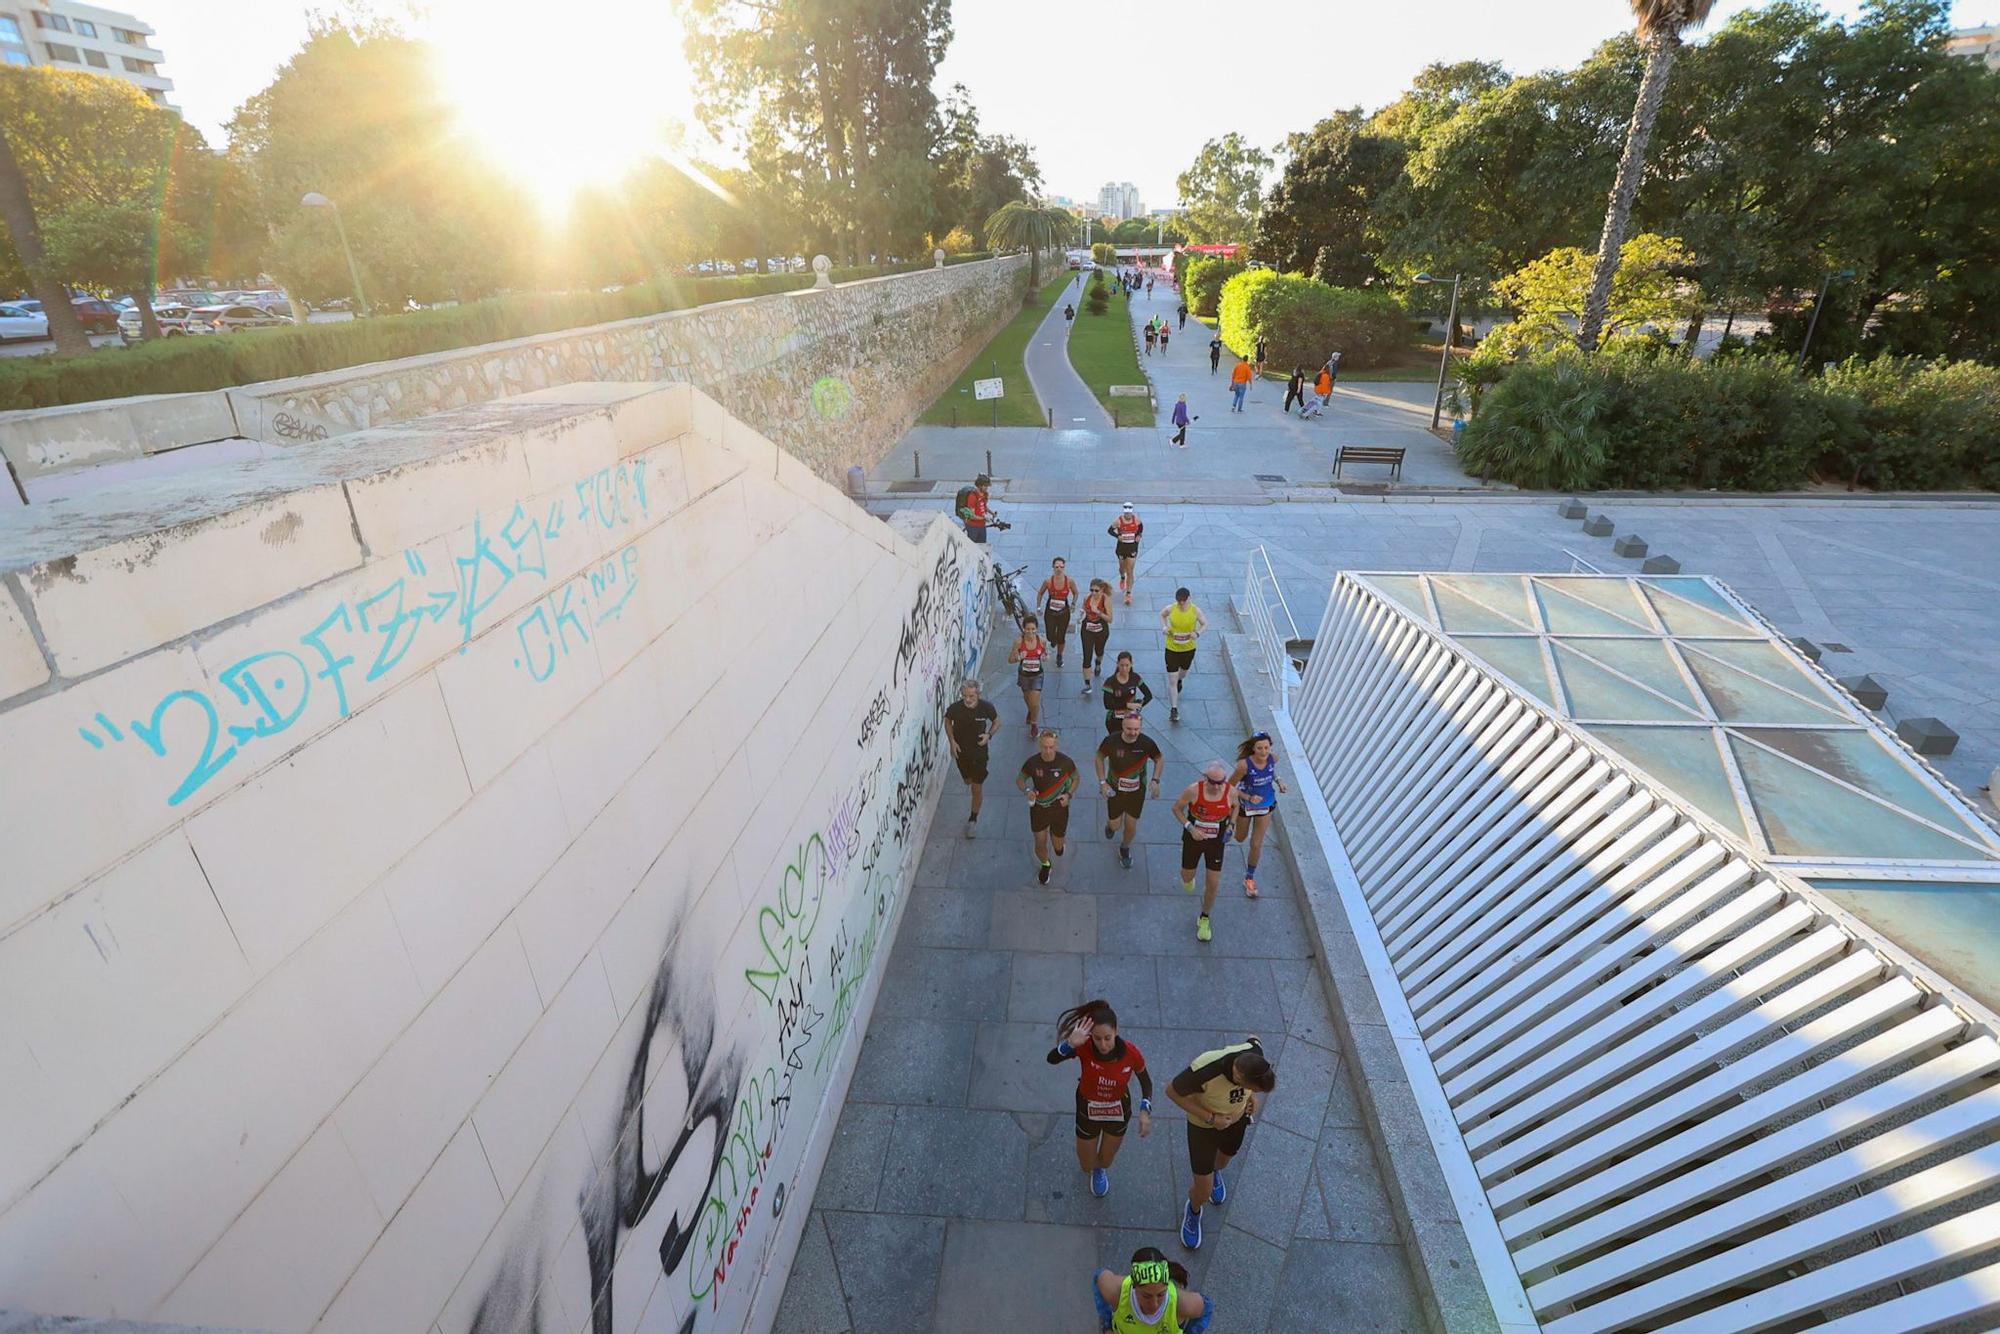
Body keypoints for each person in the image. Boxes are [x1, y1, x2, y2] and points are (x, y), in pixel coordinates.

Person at [1167, 1038, 1277, 1249]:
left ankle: (1215, 1171)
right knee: (1204, 1191)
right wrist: (1210, 1118)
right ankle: (1194, 1209)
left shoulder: (1255, 1053)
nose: (1253, 1091)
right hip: (1203, 1128)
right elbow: (1172, 1091)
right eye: (1252, 1088)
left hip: (1236, 1121)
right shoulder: (1204, 1069)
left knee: (1224, 1161)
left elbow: (1254, 1038)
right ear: (1238, 1076)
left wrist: (1252, 1097)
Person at [1049, 999, 1153, 1197]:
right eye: (1097, 1038)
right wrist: (1070, 1043)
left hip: (1118, 1110)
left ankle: (1101, 1170)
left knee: (1105, 1160)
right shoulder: (1084, 1046)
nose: (1103, 1044)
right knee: (1086, 1164)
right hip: (1087, 1108)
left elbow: (1146, 1083)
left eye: (1107, 1037)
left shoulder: (1131, 1053)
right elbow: (1051, 1059)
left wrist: (1144, 1110)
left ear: (1116, 1030)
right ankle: (1093, 1169)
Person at [1173, 760, 1239, 943]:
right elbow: (1176, 808)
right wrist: (1190, 827)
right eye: (1213, 782)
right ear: (1205, 778)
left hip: (1216, 842)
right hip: (1193, 839)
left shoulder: (1230, 791)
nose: (1218, 787)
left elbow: (1236, 806)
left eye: (1221, 782)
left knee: (1213, 883)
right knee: (1187, 876)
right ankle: (1188, 878)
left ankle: (1204, 917)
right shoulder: (1194, 790)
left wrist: (1231, 825)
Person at [1095, 713, 1163, 870]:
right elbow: (1099, 758)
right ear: (1122, 726)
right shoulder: (1111, 741)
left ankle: (1125, 848)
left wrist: (1155, 780)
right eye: (1129, 729)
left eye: (1136, 729)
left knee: (1131, 826)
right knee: (1115, 825)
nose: (1133, 733)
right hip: (1115, 789)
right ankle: (1110, 827)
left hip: (1136, 791)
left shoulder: (1147, 743)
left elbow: (1159, 759)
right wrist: (1102, 782)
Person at [1093, 1249, 1212, 1334]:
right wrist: (1107, 1326)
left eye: (1161, 1295)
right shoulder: (1117, 1291)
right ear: (1134, 1287)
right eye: (1146, 1296)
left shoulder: (1181, 1304)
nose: (1154, 1304)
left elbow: (1207, 1307)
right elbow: (1098, 1279)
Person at [1229, 732, 1287, 896]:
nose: (1263, 752)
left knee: (1256, 844)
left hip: (1266, 806)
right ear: (1253, 749)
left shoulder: (1273, 758)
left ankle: (1249, 878)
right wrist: (1248, 797)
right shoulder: (1243, 766)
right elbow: (1229, 786)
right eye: (1259, 748)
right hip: (1246, 807)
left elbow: (1272, 772)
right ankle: (1231, 821)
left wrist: (1280, 781)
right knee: (1240, 838)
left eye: (1266, 748)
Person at [1017, 728, 1077, 884]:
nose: (1048, 751)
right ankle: (1045, 864)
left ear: (1056, 746)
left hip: (1059, 809)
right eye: (1045, 747)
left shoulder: (1066, 762)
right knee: (1039, 844)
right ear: (1039, 745)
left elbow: (1076, 778)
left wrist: (1068, 794)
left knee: (1058, 849)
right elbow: (1020, 779)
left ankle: (1058, 843)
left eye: (1051, 747)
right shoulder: (1032, 762)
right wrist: (1027, 790)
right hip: (1039, 809)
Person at [945, 679, 1000, 839]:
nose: (967, 700)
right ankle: (969, 780)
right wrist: (952, 741)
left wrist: (989, 735)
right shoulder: (955, 708)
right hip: (961, 753)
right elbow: (947, 720)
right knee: (967, 781)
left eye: (971, 696)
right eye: (964, 696)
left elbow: (997, 721)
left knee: (976, 788)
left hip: (979, 754)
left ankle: (973, 820)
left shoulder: (986, 707)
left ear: (978, 694)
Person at [1158, 587, 1207, 723]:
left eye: (1183, 601)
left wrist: (1197, 633)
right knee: (1172, 680)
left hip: (1188, 648)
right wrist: (1164, 627)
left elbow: (1205, 624)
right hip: (1172, 648)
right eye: (1179, 601)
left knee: (1183, 673)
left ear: (1189, 598)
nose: (1181, 604)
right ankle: (1174, 709)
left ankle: (1180, 679)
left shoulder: (1195, 611)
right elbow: (1162, 615)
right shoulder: (1171, 608)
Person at [1009, 614, 1049, 732]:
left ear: (1036, 629)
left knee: (1035, 702)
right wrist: (1018, 657)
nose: (1030, 632)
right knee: (1028, 699)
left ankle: (1034, 724)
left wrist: (1045, 657)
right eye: (1027, 629)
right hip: (1024, 675)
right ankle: (1031, 711)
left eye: (1033, 629)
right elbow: (1010, 660)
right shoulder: (1018, 642)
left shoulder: (1042, 641)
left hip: (1037, 675)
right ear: (1023, 629)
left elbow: (1046, 654)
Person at [1038, 556, 1079, 670]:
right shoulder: (1048, 581)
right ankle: (1053, 640)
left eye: (1061, 567)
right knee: (1050, 636)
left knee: (1061, 637)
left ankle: (1059, 655)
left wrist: (1073, 604)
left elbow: (1076, 593)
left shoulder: (1069, 581)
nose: (1059, 569)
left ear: (1064, 568)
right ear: (1053, 567)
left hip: (1063, 612)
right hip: (1050, 612)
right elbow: (1040, 593)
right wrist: (1038, 607)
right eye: (1056, 567)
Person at [1102, 651, 1154, 736]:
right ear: (1117, 664)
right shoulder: (1110, 682)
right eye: (1122, 665)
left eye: (1127, 665)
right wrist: (1127, 705)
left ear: (1131, 664)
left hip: (1131, 719)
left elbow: (1148, 695)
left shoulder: (1135, 678)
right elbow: (1108, 704)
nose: (1124, 668)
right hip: (1114, 720)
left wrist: (1138, 705)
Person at [1079, 578, 1114, 696]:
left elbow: (1110, 619)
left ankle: (1098, 663)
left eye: (1096, 590)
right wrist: (1082, 615)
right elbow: (1084, 610)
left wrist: (1098, 612)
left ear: (1102, 590)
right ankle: (1087, 684)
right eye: (1091, 590)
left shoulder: (1106, 600)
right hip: (1087, 630)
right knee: (1086, 656)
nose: (1093, 593)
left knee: (1099, 651)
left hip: (1101, 630)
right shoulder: (1087, 598)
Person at [1108, 502, 1142, 604]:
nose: (1128, 516)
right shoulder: (1118, 521)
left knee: (1130, 570)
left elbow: (1141, 528)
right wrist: (1117, 536)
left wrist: (1139, 535)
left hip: (1132, 548)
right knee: (1122, 568)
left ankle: (1128, 593)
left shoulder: (1136, 520)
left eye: (1129, 514)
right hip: (1121, 548)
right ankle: (1122, 577)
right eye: (1126, 514)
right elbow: (1109, 530)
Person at [955, 473, 997, 545]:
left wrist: (991, 513)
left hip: (982, 525)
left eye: (987, 486)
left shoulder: (984, 494)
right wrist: (984, 518)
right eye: (985, 486)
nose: (987, 488)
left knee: (982, 545)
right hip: (973, 526)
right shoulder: (972, 497)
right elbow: (972, 516)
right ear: (980, 485)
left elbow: (983, 506)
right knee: (972, 546)